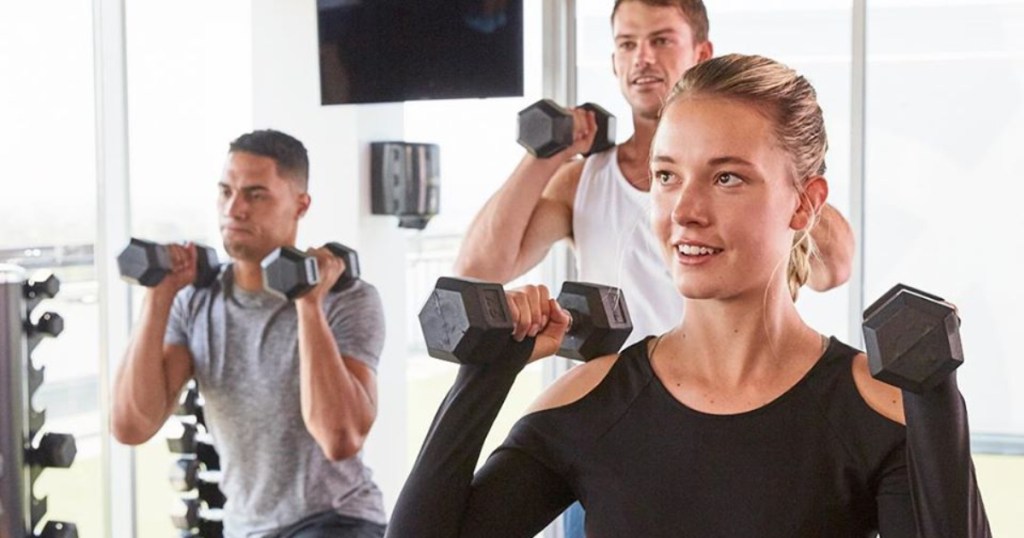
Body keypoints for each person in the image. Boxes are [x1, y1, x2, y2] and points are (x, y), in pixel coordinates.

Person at [386, 54, 991, 537]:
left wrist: (938, 407)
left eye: (727, 177)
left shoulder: (876, 407)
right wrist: (487, 375)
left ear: (804, 203)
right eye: (667, 177)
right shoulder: (596, 401)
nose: (685, 211)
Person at [454, 0, 855, 348]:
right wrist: (545, 156)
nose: (642, 58)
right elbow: (478, 271)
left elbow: (833, 271)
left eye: (661, 41)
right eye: (627, 44)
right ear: (614, 61)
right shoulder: (582, 182)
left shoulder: (758, 180)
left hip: (726, 394)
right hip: (613, 407)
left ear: (702, 53)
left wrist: (763, 165)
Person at [111, 130, 388, 538]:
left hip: (337, 520)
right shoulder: (196, 302)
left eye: (256, 195)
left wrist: (308, 304)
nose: (234, 209)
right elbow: (132, 426)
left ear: (300, 205)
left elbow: (340, 437)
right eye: (226, 192)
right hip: (245, 526)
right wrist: (160, 297)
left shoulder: (346, 299)